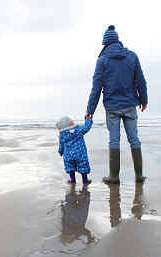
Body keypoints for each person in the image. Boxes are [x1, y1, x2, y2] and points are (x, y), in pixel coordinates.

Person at [85, 25, 148, 183]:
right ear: (118, 41)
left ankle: (114, 176)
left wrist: (90, 110)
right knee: (134, 139)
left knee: (114, 139)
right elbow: (140, 80)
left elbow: (96, 87)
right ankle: (139, 175)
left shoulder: (102, 60)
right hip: (129, 105)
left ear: (105, 44)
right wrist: (144, 100)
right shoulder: (132, 56)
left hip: (112, 107)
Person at [57, 116, 93, 184]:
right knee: (83, 165)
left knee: (69, 166)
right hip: (80, 154)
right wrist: (88, 120)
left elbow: (61, 145)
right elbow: (86, 128)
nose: (71, 119)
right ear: (68, 124)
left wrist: (60, 152)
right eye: (69, 119)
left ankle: (72, 179)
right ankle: (85, 180)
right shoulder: (77, 130)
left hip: (68, 155)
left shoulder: (62, 135)